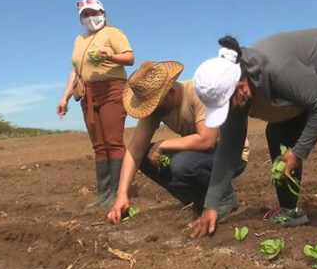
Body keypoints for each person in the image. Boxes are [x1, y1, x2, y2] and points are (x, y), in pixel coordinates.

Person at [188, 29, 317, 237]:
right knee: (277, 133)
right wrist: (211, 205)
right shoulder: (234, 90)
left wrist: (298, 152)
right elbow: (228, 151)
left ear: (240, 86)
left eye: (226, 105)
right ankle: (290, 211)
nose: (227, 110)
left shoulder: (276, 69)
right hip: (309, 77)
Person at [106, 61, 249, 225]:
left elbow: (207, 140)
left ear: (171, 92)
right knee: (145, 155)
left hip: (232, 156)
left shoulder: (198, 93)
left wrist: (163, 144)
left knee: (181, 163)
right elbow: (135, 150)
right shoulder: (157, 110)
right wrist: (122, 194)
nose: (154, 112)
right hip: (202, 156)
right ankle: (198, 199)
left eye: (155, 106)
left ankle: (225, 198)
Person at [56, 0, 135, 207]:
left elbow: (129, 58)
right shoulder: (79, 40)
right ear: (81, 19)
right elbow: (75, 71)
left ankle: (118, 193)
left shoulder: (113, 33)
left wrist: (110, 56)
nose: (91, 17)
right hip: (88, 93)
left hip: (112, 89)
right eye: (85, 15)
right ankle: (103, 194)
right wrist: (64, 97)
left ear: (103, 13)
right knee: (99, 146)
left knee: (113, 141)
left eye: (94, 13)